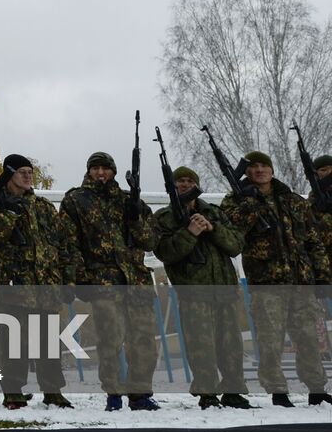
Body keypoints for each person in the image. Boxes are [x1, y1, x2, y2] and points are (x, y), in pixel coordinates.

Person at [219, 151, 332, 407]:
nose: (260, 170)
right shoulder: (235, 201)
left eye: (264, 165)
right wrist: (249, 202)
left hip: (301, 282)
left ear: (272, 170)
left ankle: (317, 389)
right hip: (267, 284)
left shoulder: (292, 200)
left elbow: (312, 240)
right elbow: (233, 231)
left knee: (309, 338)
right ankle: (278, 391)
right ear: (246, 172)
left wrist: (322, 275)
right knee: (270, 340)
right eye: (254, 166)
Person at [0, 154, 77, 410]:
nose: (28, 175)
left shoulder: (43, 207)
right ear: (9, 174)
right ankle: (13, 393)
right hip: (13, 287)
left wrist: (69, 280)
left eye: (30, 171)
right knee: (13, 343)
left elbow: (64, 244)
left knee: (50, 342)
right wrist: (8, 215)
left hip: (47, 286)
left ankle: (53, 392)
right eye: (22, 171)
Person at [59, 151, 160, 411]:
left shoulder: (129, 201)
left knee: (144, 339)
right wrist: (79, 278)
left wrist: (136, 216)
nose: (101, 173)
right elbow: (69, 243)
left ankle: (140, 395)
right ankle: (113, 393)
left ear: (114, 171)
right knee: (110, 339)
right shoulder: (76, 200)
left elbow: (150, 241)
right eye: (96, 168)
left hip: (136, 280)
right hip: (103, 280)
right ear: (89, 171)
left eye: (105, 168)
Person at [152, 166, 251, 409]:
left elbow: (236, 245)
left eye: (189, 181)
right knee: (200, 344)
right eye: (179, 181)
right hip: (194, 291)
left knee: (231, 344)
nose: (184, 185)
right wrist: (190, 233)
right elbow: (165, 252)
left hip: (224, 289)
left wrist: (212, 228)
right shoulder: (164, 218)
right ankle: (207, 393)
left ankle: (233, 391)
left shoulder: (214, 213)